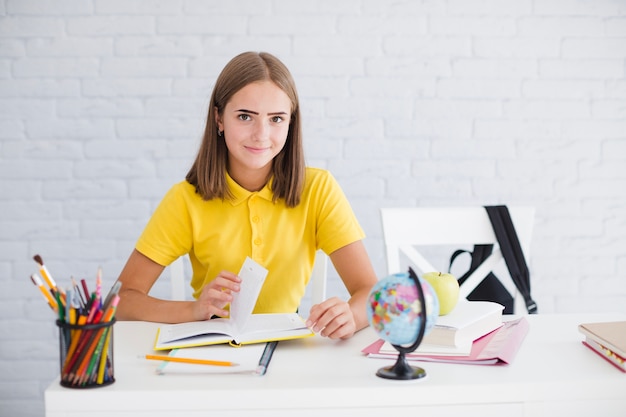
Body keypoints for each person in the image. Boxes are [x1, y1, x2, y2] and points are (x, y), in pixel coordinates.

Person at [116, 51, 378, 340]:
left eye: (276, 119)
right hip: (212, 354)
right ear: (219, 118)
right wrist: (193, 310)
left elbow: (370, 291)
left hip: (287, 353)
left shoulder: (318, 189)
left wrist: (350, 316)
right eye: (245, 116)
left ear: (291, 123)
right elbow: (121, 300)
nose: (261, 134)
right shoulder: (185, 199)